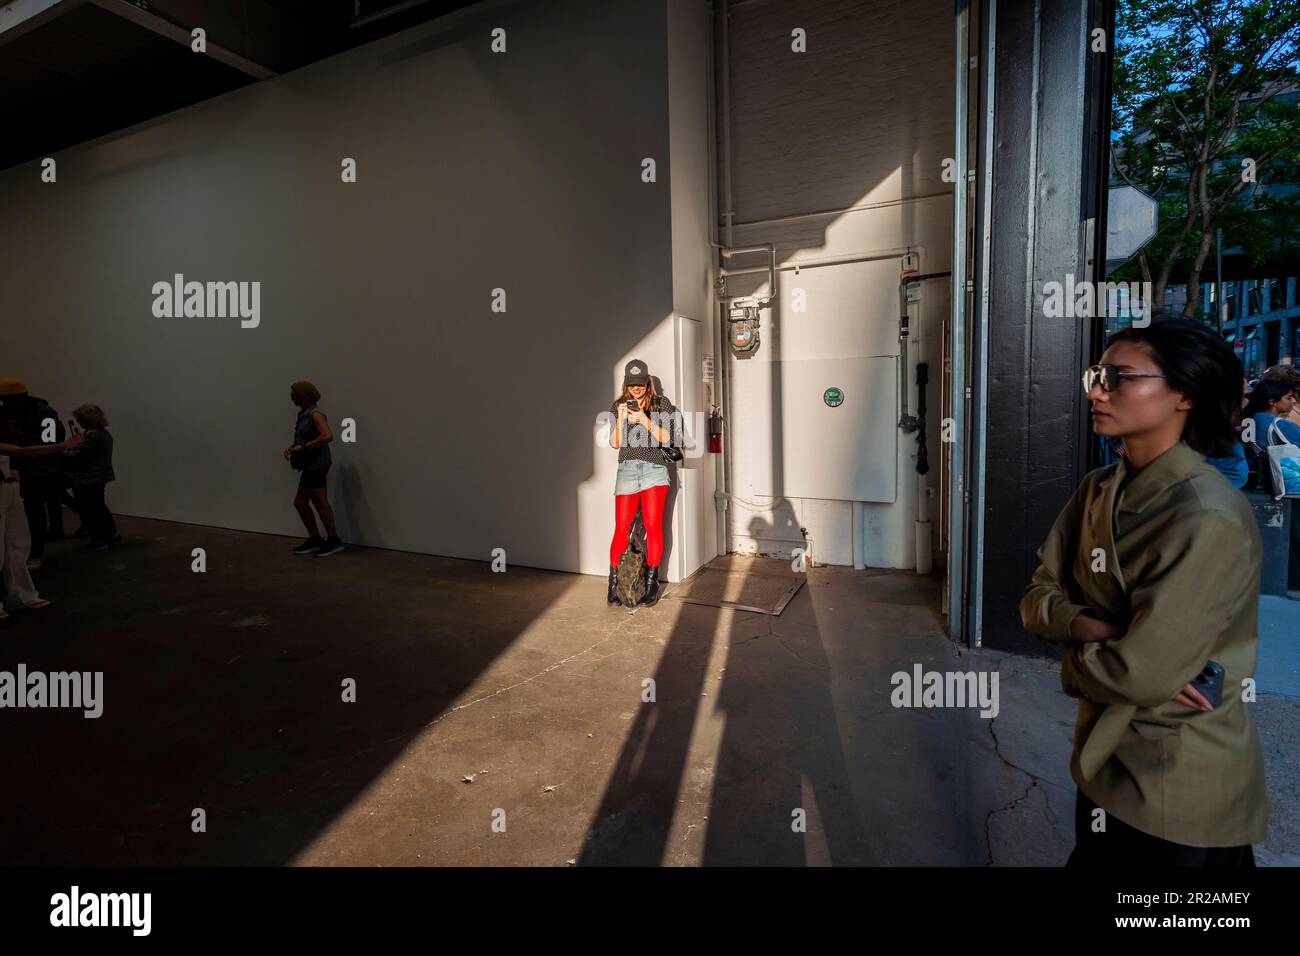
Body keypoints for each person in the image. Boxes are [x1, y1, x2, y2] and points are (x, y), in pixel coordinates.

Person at [1020, 316, 1268, 866]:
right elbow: (1035, 598)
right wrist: (1102, 631)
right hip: (1103, 757)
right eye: (1097, 374)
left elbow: (1142, 674)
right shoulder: (1098, 488)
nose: (1096, 391)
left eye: (1119, 377)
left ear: (1185, 394)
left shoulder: (1206, 515)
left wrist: (1080, 650)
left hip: (1179, 777)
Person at [606, 359, 681, 607]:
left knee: (653, 526)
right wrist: (620, 419)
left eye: (640, 384)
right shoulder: (618, 406)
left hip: (654, 470)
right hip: (627, 470)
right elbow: (616, 443)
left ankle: (651, 584)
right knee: (621, 528)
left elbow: (669, 438)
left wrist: (644, 420)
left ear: (647, 381)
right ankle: (614, 585)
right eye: (632, 385)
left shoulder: (662, 404)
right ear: (626, 384)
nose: (636, 389)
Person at [0, 432, 82, 620]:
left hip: (9, 487)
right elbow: (24, 452)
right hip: (5, 488)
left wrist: (11, 472)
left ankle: (21, 595)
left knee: (17, 545)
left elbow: (18, 453)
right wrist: (63, 446)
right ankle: (20, 595)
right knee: (6, 547)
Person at [0, 379, 67, 569]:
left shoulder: (45, 413)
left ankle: (35, 553)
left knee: (35, 513)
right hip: (15, 471)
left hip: (40, 471)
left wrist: (16, 437)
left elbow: (51, 442)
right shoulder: (7, 413)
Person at [284, 380, 343, 557]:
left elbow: (328, 436)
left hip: (317, 465)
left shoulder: (315, 414)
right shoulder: (304, 414)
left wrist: (305, 447)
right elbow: (308, 437)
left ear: (303, 396)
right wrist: (293, 447)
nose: (291, 396)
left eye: (293, 393)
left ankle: (333, 541)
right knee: (304, 502)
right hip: (310, 465)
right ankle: (317, 539)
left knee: (316, 502)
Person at [61, 404, 120, 552]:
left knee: (90, 510)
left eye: (80, 419)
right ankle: (111, 535)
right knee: (99, 507)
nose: (79, 422)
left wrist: (63, 450)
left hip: (87, 478)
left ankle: (98, 539)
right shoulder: (102, 433)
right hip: (97, 476)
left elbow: (80, 456)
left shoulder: (92, 435)